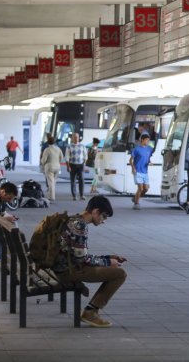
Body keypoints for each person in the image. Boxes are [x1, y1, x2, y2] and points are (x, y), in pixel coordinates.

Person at [52, 196, 127, 328]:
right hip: (67, 271)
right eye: (103, 216)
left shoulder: (73, 219)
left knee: (115, 270)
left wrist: (108, 257)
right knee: (120, 274)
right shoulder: (79, 226)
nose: (103, 221)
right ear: (95, 211)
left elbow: (80, 255)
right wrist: (108, 262)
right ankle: (90, 312)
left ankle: (91, 311)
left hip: (62, 266)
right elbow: (83, 259)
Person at [0, 182, 19, 268]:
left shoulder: (1, 198)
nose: (9, 201)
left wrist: (10, 217)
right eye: (8, 198)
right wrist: (4, 219)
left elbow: (2, 212)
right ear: (3, 192)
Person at [129, 133, 153, 210]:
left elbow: (148, 159)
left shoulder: (149, 149)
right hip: (138, 171)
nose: (147, 142)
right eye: (146, 140)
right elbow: (131, 160)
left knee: (146, 189)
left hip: (145, 171)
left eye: (148, 140)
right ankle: (136, 203)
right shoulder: (136, 149)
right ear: (142, 140)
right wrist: (133, 168)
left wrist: (150, 162)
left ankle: (136, 197)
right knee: (140, 188)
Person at [40, 136, 63, 202]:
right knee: (53, 182)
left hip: (49, 167)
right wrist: (58, 162)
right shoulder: (58, 149)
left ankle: (52, 197)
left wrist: (42, 163)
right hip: (57, 167)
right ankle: (50, 195)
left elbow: (44, 160)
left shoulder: (47, 149)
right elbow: (61, 157)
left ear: (48, 142)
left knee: (50, 182)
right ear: (54, 142)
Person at [65, 133, 87, 200]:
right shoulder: (69, 146)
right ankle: (74, 196)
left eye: (77, 137)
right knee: (73, 181)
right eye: (74, 137)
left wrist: (84, 164)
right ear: (72, 138)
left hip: (81, 165)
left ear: (78, 138)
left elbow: (85, 156)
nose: (76, 138)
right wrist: (68, 166)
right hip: (72, 165)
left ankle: (82, 195)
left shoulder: (82, 146)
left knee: (82, 180)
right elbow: (67, 157)